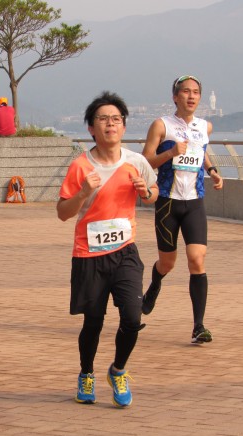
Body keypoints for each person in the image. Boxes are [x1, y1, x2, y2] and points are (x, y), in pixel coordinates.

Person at [57, 91, 158, 408]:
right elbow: (62, 212)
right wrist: (83, 192)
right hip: (89, 255)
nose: (110, 124)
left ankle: (118, 370)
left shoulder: (136, 162)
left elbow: (154, 191)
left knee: (132, 317)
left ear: (123, 126)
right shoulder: (80, 167)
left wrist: (147, 192)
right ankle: (86, 374)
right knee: (93, 322)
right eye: (103, 119)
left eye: (116, 119)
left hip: (125, 252)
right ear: (91, 128)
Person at [141, 75, 224, 344]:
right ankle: (155, 284)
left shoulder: (205, 126)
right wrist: (170, 153)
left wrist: (212, 170)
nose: (191, 96)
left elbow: (201, 152)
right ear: (175, 96)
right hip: (168, 202)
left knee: (197, 259)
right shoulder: (161, 125)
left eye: (196, 92)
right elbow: (146, 161)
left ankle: (198, 326)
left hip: (195, 201)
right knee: (168, 263)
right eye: (186, 92)